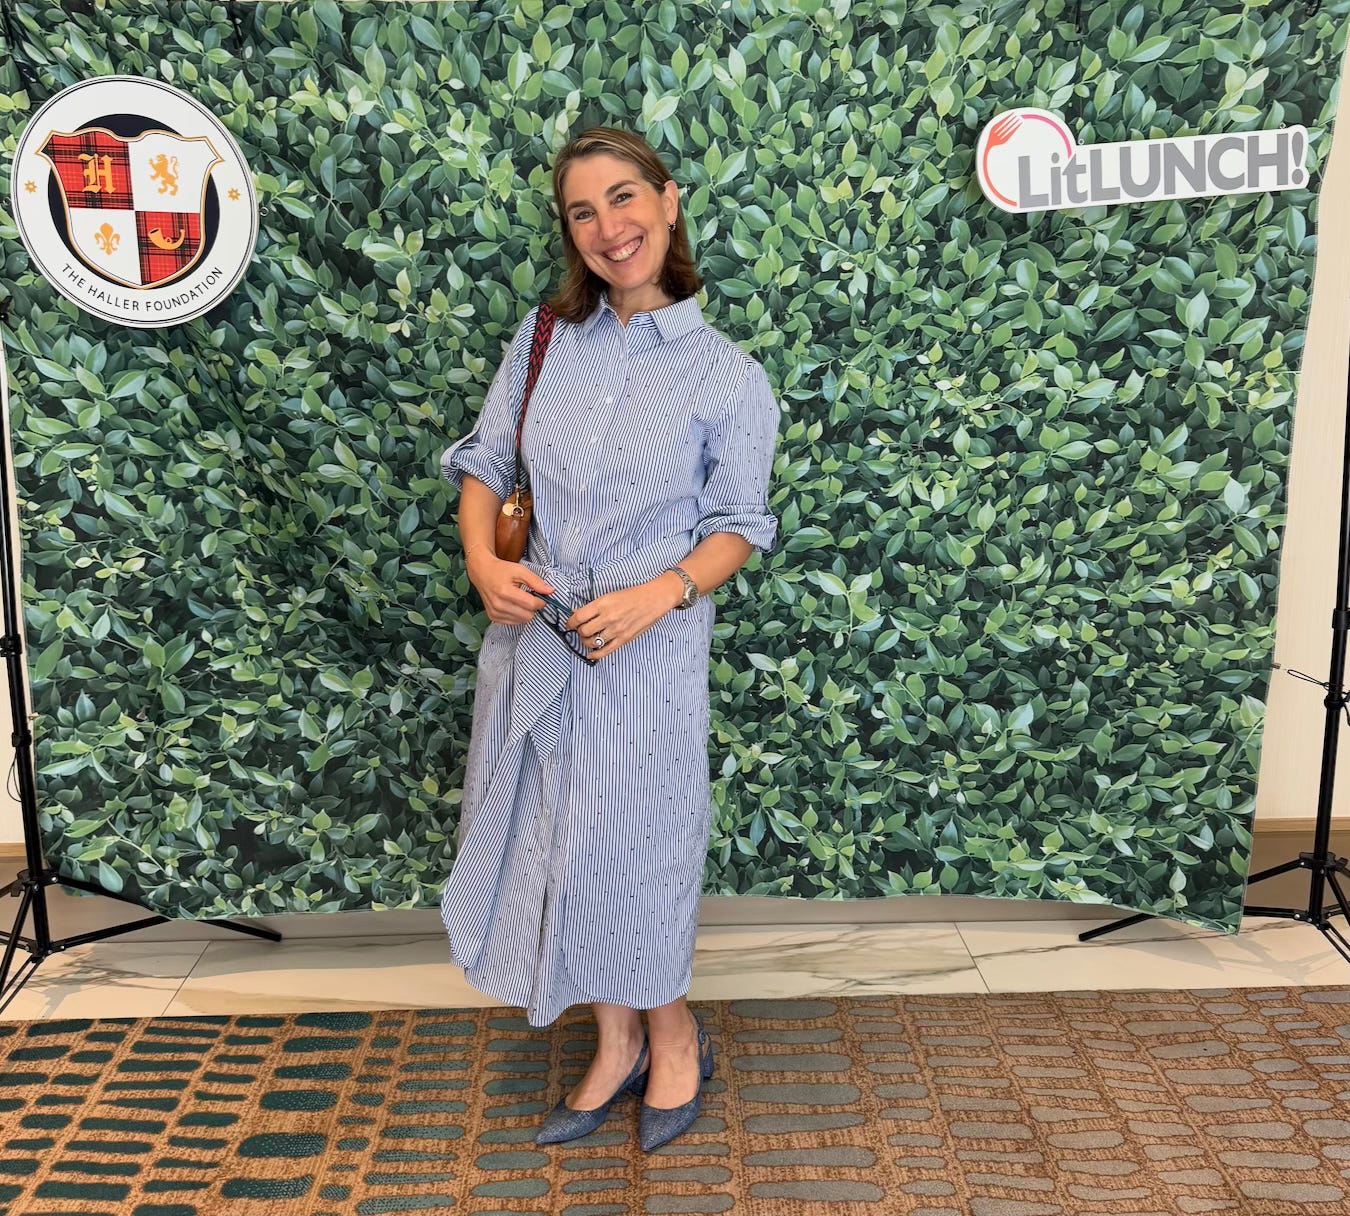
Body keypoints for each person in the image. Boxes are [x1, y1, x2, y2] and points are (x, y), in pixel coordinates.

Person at [438, 126, 780, 1152]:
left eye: (624, 197)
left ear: (668, 201)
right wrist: (483, 563)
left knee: (638, 848)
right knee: (557, 843)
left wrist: (658, 595)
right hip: (536, 642)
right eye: (582, 211)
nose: (608, 227)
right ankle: (617, 1039)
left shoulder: (728, 377)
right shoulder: (546, 339)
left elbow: (738, 528)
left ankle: (673, 1036)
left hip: (649, 654)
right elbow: (486, 463)